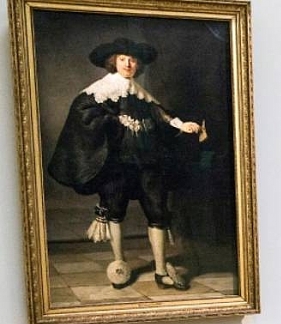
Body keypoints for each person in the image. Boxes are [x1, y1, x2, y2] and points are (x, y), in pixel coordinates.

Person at [49, 37, 206, 290]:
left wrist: (182, 124)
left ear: (138, 64)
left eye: (132, 59)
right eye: (123, 59)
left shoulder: (140, 92)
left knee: (156, 211)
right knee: (115, 210)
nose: (128, 64)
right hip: (117, 163)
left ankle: (160, 271)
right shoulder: (102, 89)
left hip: (148, 161)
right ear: (114, 62)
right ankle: (120, 265)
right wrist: (114, 122)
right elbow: (83, 114)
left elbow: (161, 114)